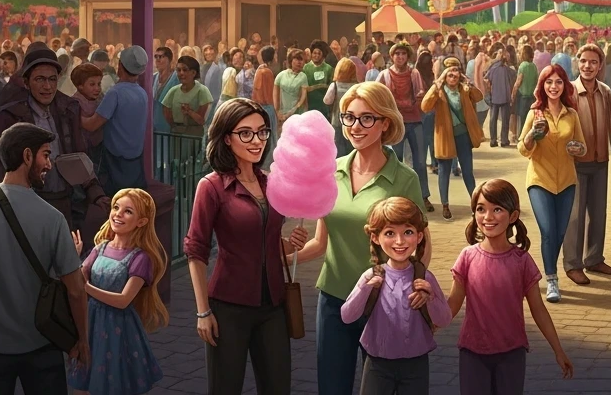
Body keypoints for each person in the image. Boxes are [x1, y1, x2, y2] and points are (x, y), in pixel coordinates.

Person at [293, 81, 428, 395]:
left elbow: (421, 244)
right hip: (333, 300)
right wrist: (283, 258)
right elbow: (320, 243)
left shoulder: (404, 179)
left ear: (385, 123)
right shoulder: (331, 172)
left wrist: (415, 287)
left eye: (367, 118)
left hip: (382, 303)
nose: (356, 126)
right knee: (331, 388)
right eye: (349, 117)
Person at [186, 99, 308, 395]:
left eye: (262, 132)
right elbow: (196, 249)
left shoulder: (271, 182)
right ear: (226, 138)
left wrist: (290, 245)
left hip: (274, 307)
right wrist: (203, 312)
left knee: (278, 388)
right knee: (225, 388)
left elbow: (263, 239)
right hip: (228, 308)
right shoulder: (212, 187)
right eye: (246, 133)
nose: (256, 141)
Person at [0, 123, 90, 393]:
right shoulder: (52, 218)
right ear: (27, 156)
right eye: (46, 155)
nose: (49, 165)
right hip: (41, 344)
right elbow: (75, 291)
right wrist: (82, 340)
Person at [447, 179, 573, 392]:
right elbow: (451, 305)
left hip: (512, 353)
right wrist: (427, 326)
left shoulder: (522, 261)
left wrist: (558, 350)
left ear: (513, 216)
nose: (488, 217)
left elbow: (538, 309)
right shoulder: (467, 257)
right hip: (472, 352)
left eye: (497, 209)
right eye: (480, 209)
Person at [0, 46, 110, 233]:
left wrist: (96, 194)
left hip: (63, 200)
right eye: (40, 79)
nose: (47, 87)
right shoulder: (9, 114)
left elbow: (79, 157)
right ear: (26, 82)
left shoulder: (69, 109)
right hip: (24, 203)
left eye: (52, 79)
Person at [339, 197, 451, 395]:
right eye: (390, 233)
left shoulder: (424, 277)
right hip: (378, 363)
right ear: (375, 237)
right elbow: (347, 316)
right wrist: (364, 289)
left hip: (416, 363)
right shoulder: (371, 276)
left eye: (407, 232)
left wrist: (431, 297)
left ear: (419, 236)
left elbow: (444, 318)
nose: (399, 242)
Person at [68, 188, 168, 395]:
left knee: (112, 384)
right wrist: (74, 257)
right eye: (116, 207)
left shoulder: (140, 258)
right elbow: (79, 278)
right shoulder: (100, 248)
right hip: (89, 324)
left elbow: (123, 300)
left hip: (118, 330)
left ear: (141, 221)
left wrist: (86, 288)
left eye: (128, 211)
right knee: (83, 384)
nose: (118, 214)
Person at [518, 64, 582, 303]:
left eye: (558, 82)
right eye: (549, 82)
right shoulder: (534, 113)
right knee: (548, 231)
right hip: (539, 180)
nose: (553, 87)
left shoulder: (572, 115)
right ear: (542, 86)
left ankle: (543, 270)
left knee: (560, 232)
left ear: (564, 85)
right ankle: (552, 280)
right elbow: (523, 150)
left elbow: (580, 146)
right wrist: (533, 134)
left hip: (566, 181)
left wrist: (577, 149)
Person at [562, 43, 611, 286]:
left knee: (599, 213)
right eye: (583, 61)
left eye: (593, 62)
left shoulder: (605, 91)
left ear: (600, 66)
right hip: (575, 163)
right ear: (577, 62)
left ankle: (594, 258)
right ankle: (572, 265)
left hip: (601, 161)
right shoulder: (568, 91)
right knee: (575, 216)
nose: (588, 66)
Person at [80, 46, 151, 194]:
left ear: (120, 66)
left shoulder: (115, 93)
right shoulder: (142, 93)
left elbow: (92, 125)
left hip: (115, 162)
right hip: (136, 160)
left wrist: (73, 112)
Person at [421, 57, 484, 220]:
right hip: (445, 136)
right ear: (445, 75)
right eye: (450, 74)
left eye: (456, 73)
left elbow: (479, 97)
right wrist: (437, 83)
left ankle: (475, 203)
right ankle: (445, 205)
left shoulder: (464, 89)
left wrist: (469, 83)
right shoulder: (439, 91)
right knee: (444, 171)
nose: (453, 77)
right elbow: (425, 106)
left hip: (463, 136)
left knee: (468, 172)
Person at [377, 44, 431, 211]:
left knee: (421, 161)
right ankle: (395, 196)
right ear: (392, 56)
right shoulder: (384, 75)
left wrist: (421, 96)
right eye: (397, 54)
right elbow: (375, 93)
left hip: (414, 121)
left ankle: (423, 196)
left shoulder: (414, 74)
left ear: (408, 56)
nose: (400, 57)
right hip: (395, 123)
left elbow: (422, 94)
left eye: (403, 54)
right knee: (395, 160)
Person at [161, 55, 213, 138]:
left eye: (185, 70)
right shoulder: (173, 91)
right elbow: (165, 109)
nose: (181, 73)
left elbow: (202, 120)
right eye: (178, 70)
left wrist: (189, 112)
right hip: (176, 134)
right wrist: (174, 126)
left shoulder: (202, 91)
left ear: (193, 73)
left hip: (194, 135)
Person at [322, 59, 360, 158]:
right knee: (351, 148)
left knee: (337, 150)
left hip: (337, 121)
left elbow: (327, 101)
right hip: (353, 122)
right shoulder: (357, 86)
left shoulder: (334, 86)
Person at [483, 45, 517, 148]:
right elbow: (514, 76)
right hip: (504, 96)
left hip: (495, 96)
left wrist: (488, 91)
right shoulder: (507, 69)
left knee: (493, 118)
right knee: (504, 119)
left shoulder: (493, 68)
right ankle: (503, 140)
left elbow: (486, 79)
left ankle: (493, 140)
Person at [273, 49, 310, 130]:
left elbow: (302, 99)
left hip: (297, 113)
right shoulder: (281, 75)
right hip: (281, 114)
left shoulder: (303, 76)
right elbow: (275, 96)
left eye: (301, 60)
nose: (299, 62)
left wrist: (290, 113)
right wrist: (277, 112)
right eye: (297, 59)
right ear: (290, 60)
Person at [511, 45, 539, 138]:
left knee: (522, 120)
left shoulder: (522, 66)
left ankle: (521, 138)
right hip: (531, 97)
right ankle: (529, 137)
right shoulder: (534, 67)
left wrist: (513, 94)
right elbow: (536, 82)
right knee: (529, 119)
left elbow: (518, 82)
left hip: (523, 97)